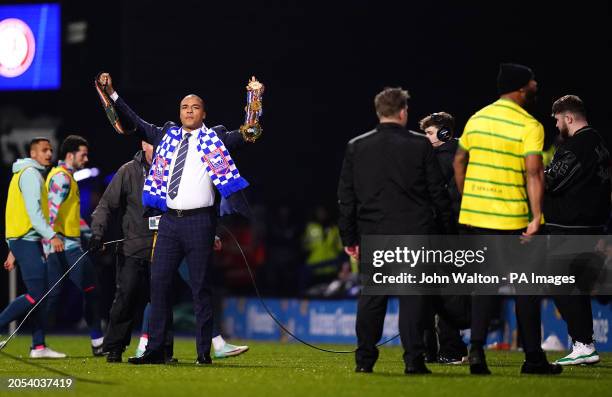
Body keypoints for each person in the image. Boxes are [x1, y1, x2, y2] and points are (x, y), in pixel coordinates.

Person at [97, 72, 253, 365]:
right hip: (169, 222)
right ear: (179, 112)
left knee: (200, 289)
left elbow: (250, 133)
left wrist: (254, 100)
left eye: (194, 107)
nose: (189, 111)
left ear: (203, 113)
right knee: (159, 286)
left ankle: (203, 353)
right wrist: (113, 94)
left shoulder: (215, 137)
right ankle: (156, 350)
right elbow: (135, 121)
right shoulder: (166, 135)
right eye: (184, 107)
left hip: (200, 222)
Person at [453, 63, 561, 375]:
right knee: (526, 288)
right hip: (514, 218)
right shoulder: (529, 124)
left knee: (484, 286)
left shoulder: (477, 117)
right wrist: (536, 216)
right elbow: (533, 172)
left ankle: (476, 351)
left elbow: (459, 160)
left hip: (478, 217)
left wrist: (468, 201)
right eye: (531, 82)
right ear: (520, 88)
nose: (535, 85)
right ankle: (533, 359)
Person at [338, 87, 453, 374]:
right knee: (413, 299)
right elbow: (437, 192)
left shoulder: (357, 145)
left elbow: (346, 197)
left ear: (379, 112)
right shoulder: (420, 145)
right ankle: (414, 361)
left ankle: (365, 361)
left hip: (375, 233)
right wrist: (449, 233)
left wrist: (349, 238)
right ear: (403, 112)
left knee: (372, 298)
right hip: (414, 233)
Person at [544, 95, 609, 365]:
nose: (557, 125)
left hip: (570, 228)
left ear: (568, 118)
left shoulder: (578, 145)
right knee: (575, 289)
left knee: (555, 282)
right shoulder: (599, 143)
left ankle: (583, 344)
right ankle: (584, 345)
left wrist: (532, 172)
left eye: (558, 119)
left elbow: (552, 181)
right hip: (591, 226)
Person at [1, 138, 66, 358]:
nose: (49, 153)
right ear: (33, 153)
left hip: (25, 240)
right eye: (44, 150)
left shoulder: (27, 173)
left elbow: (18, 214)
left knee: (41, 295)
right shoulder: (30, 174)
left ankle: (38, 346)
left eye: (50, 150)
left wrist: (12, 249)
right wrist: (52, 236)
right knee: (37, 294)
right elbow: (33, 214)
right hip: (27, 241)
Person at [44, 135, 104, 356]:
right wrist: (50, 240)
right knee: (92, 291)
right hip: (66, 247)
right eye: (83, 154)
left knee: (52, 296)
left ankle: (37, 343)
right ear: (70, 155)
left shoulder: (66, 176)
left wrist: (91, 235)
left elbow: (72, 216)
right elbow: (50, 213)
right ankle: (98, 342)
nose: (86, 159)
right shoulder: (62, 178)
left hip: (64, 244)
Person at [419, 112, 469, 364]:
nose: (425, 138)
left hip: (446, 234)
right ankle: (443, 349)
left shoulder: (443, 158)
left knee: (442, 291)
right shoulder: (464, 153)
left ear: (444, 132)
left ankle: (447, 349)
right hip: (451, 233)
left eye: (429, 132)